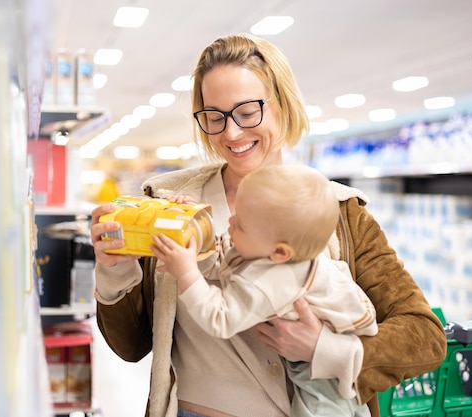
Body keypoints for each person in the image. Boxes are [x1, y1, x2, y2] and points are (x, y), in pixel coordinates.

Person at [90, 33, 447, 417]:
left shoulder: (339, 212)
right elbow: (132, 346)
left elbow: (424, 337)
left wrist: (322, 349)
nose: (231, 133)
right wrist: (115, 269)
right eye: (214, 117)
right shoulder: (169, 207)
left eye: (247, 112)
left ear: (283, 104)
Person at [149, 164, 378, 417]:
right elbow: (221, 265)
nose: (231, 221)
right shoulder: (271, 249)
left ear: (280, 252)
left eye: (242, 225)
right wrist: (193, 221)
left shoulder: (273, 280)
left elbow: (220, 318)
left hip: (324, 377)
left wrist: (186, 272)